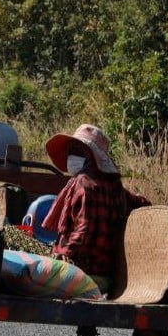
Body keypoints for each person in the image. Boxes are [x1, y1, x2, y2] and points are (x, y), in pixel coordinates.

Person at [40, 124, 151, 294]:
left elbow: (84, 231)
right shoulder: (114, 186)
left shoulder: (84, 183)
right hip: (106, 273)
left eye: (78, 151)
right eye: (71, 151)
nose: (71, 156)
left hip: (83, 273)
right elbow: (142, 203)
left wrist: (63, 255)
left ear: (90, 155)